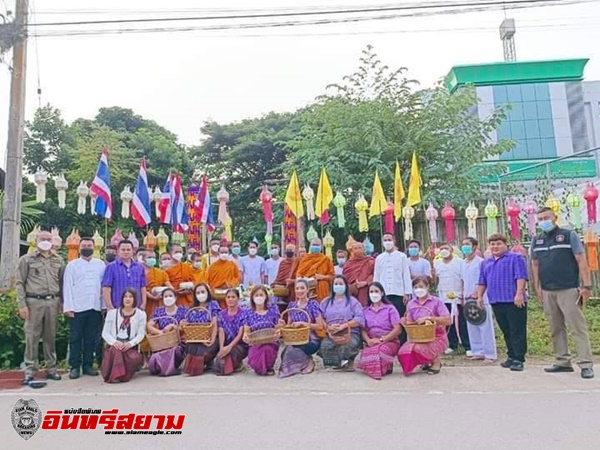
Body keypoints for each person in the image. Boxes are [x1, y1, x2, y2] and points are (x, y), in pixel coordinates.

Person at [531, 207, 595, 379]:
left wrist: (586, 286)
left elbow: (581, 260)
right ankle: (562, 361)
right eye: (540, 218)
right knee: (556, 328)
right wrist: (537, 287)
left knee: (577, 327)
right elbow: (535, 265)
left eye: (546, 217)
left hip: (568, 289)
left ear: (555, 218)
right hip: (547, 290)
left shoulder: (568, 236)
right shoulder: (537, 240)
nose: (543, 221)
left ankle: (586, 364)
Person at [16, 229, 65, 384]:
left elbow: (62, 283)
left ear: (52, 241)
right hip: (33, 302)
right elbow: (19, 283)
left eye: (48, 238)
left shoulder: (58, 260)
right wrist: (21, 305)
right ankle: (30, 371)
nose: (45, 241)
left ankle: (51, 369)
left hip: (53, 301)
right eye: (42, 238)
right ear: (36, 240)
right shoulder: (26, 259)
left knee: (50, 336)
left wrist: (62, 303)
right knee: (32, 337)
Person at [477, 234, 529, 372]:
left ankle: (519, 358)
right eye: (492, 244)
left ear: (506, 245)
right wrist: (479, 296)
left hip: (513, 301)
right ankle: (511, 356)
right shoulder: (486, 263)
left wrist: (519, 293)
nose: (495, 246)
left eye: (498, 243)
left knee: (517, 330)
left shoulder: (516, 258)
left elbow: (521, 276)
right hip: (496, 300)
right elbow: (482, 281)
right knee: (506, 330)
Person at [63, 237, 106, 379]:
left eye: (89, 245)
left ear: (94, 247)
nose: (86, 247)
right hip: (77, 307)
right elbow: (67, 287)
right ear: (79, 247)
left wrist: (104, 306)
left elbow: (104, 287)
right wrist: (68, 306)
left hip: (95, 306)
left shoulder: (100, 264)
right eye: (84, 245)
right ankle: (74, 367)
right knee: (75, 338)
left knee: (91, 338)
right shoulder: (72, 265)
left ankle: (87, 365)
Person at [398, 276, 451, 375]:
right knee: (403, 351)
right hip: (418, 336)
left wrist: (429, 318)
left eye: (421, 286)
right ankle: (425, 361)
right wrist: (404, 321)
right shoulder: (411, 304)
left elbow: (448, 320)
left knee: (420, 348)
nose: (419, 289)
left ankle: (436, 362)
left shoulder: (436, 302)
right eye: (416, 287)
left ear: (427, 287)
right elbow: (410, 322)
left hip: (436, 336)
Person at [278, 279, 326, 378]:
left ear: (308, 289)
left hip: (311, 340)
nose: (300, 291)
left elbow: (320, 326)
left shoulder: (313, 304)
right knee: (285, 352)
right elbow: (289, 325)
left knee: (291, 350)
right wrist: (282, 325)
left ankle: (309, 363)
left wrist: (304, 324)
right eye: (297, 288)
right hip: (295, 338)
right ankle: (307, 360)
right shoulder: (292, 305)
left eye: (302, 288)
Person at [461, 237, 497, 363]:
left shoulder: (481, 262)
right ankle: (477, 351)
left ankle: (490, 354)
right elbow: (463, 281)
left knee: (485, 326)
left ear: (475, 247)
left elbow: (485, 280)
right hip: (467, 299)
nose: (465, 247)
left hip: (481, 298)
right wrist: (462, 295)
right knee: (472, 325)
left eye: (467, 244)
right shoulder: (463, 263)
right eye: (463, 244)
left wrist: (478, 293)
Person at [318, 276, 365, 371]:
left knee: (348, 345)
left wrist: (344, 325)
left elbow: (360, 318)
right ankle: (338, 363)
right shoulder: (325, 302)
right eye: (336, 284)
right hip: (332, 332)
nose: (338, 286)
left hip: (350, 333)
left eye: (341, 284)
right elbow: (320, 317)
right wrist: (328, 327)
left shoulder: (353, 302)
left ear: (346, 286)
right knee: (325, 346)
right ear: (332, 286)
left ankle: (349, 360)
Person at [356, 282, 402, 380]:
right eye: (371, 292)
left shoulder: (390, 309)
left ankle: (383, 367)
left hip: (390, 341)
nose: (374, 294)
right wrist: (368, 340)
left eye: (376, 291)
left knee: (380, 352)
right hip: (372, 342)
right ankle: (382, 368)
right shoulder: (365, 310)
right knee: (367, 354)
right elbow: (363, 329)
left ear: (382, 293)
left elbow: (398, 329)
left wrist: (382, 339)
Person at [373, 233, 412, 343]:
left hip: (399, 292)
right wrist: (375, 293)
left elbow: (406, 274)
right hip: (384, 294)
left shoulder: (401, 256)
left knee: (400, 318)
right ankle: (388, 341)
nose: (387, 242)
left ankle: (402, 343)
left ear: (394, 241)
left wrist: (407, 292)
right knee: (386, 318)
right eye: (385, 240)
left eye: (389, 239)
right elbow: (377, 275)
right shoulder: (379, 258)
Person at [100, 289, 146, 383]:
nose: (128, 299)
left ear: (135, 299)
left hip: (130, 349)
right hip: (114, 347)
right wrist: (115, 343)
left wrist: (130, 344)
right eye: (125, 296)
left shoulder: (141, 314)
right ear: (122, 299)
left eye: (130, 296)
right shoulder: (112, 313)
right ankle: (117, 374)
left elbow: (141, 334)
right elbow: (105, 333)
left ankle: (121, 375)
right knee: (116, 350)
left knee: (133, 357)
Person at [433, 242, 470, 355]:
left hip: (457, 296)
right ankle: (452, 344)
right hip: (444, 297)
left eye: (446, 248)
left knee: (462, 321)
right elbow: (436, 280)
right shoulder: (437, 263)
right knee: (448, 322)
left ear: (451, 250)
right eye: (442, 248)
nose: (444, 250)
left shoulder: (459, 262)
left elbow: (464, 279)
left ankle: (467, 345)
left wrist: (463, 295)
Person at [146, 288, 187, 377]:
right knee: (155, 357)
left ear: (175, 297)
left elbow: (185, 326)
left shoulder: (183, 310)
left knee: (173, 351)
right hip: (162, 343)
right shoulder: (159, 311)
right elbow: (149, 325)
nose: (168, 298)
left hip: (178, 343)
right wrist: (160, 332)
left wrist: (173, 326)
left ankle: (170, 369)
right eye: (166, 296)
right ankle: (161, 368)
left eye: (170, 296)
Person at [182, 283, 221, 375]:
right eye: (198, 293)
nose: (201, 294)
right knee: (191, 347)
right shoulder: (192, 309)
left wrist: (211, 339)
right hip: (195, 339)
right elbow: (188, 325)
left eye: (203, 292)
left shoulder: (213, 305)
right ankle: (197, 366)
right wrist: (183, 323)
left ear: (207, 292)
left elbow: (215, 323)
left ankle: (206, 362)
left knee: (206, 349)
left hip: (210, 338)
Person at [243, 286, 281, 376]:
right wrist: (245, 336)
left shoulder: (273, 310)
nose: (259, 297)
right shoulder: (248, 312)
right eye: (256, 295)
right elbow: (246, 330)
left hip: (271, 341)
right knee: (256, 357)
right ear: (252, 298)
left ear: (266, 297)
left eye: (261, 295)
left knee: (266, 348)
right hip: (255, 342)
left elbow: (278, 326)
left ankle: (268, 367)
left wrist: (278, 332)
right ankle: (259, 367)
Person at [102, 240, 147, 310]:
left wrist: (143, 304)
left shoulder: (139, 267)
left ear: (133, 251)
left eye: (128, 250)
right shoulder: (111, 267)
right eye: (123, 250)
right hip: (117, 307)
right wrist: (110, 307)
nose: (126, 252)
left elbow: (143, 287)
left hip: (136, 308)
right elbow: (106, 288)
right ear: (118, 251)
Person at [214, 289, 248, 375]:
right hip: (225, 344)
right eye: (228, 297)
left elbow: (240, 334)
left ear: (238, 299)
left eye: (233, 297)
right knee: (219, 362)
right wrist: (222, 348)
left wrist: (229, 347)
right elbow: (221, 331)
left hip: (239, 345)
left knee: (231, 353)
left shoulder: (243, 313)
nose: (230, 299)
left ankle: (237, 364)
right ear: (225, 299)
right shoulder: (221, 314)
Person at [342, 241, 374, 307]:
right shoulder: (348, 264)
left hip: (367, 289)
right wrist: (353, 286)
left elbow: (375, 274)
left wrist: (366, 282)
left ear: (364, 249)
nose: (358, 250)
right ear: (352, 251)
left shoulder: (370, 261)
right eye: (355, 248)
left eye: (359, 248)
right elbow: (344, 279)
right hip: (352, 291)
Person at [143, 250, 173, 320]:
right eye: (149, 257)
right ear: (143, 259)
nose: (152, 259)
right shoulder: (140, 273)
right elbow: (142, 289)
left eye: (153, 257)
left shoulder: (161, 273)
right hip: (147, 302)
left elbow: (169, 286)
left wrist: (170, 291)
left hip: (161, 301)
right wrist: (152, 296)